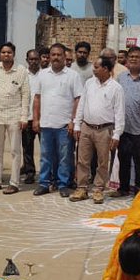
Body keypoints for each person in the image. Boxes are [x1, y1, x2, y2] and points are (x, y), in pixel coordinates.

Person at [32, 43, 82, 197]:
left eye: (59, 55)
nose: (55, 58)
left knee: (65, 157)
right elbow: (37, 98)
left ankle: (63, 184)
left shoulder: (72, 75)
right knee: (46, 156)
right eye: (53, 55)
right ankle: (44, 183)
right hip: (46, 123)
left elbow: (78, 99)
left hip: (64, 124)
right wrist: (35, 119)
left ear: (64, 56)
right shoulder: (42, 74)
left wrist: (73, 120)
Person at [71, 58, 123, 204]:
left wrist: (117, 134)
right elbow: (82, 105)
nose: (93, 70)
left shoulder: (116, 88)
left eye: (96, 67)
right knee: (82, 160)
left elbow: (119, 112)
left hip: (105, 129)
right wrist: (77, 125)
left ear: (106, 69)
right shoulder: (89, 83)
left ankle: (99, 189)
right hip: (86, 127)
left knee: (102, 161)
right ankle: (81, 188)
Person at [0, 42, 30, 194]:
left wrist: (24, 117)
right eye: (3, 52)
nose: (6, 55)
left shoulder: (21, 70)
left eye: (9, 52)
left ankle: (14, 183)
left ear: (13, 54)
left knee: (15, 150)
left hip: (15, 116)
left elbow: (25, 95)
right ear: (0, 54)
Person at [111, 45, 140, 197]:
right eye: (131, 57)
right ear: (127, 60)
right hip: (123, 128)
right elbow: (115, 101)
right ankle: (123, 189)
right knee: (123, 159)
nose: (133, 59)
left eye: (137, 57)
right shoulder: (121, 78)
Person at [20, 48, 42, 184]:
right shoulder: (23, 75)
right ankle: (29, 172)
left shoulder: (45, 75)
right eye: (31, 59)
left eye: (36, 59)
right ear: (27, 60)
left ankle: (46, 173)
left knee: (45, 149)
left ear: (39, 60)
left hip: (42, 118)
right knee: (27, 148)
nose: (33, 62)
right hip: (26, 117)